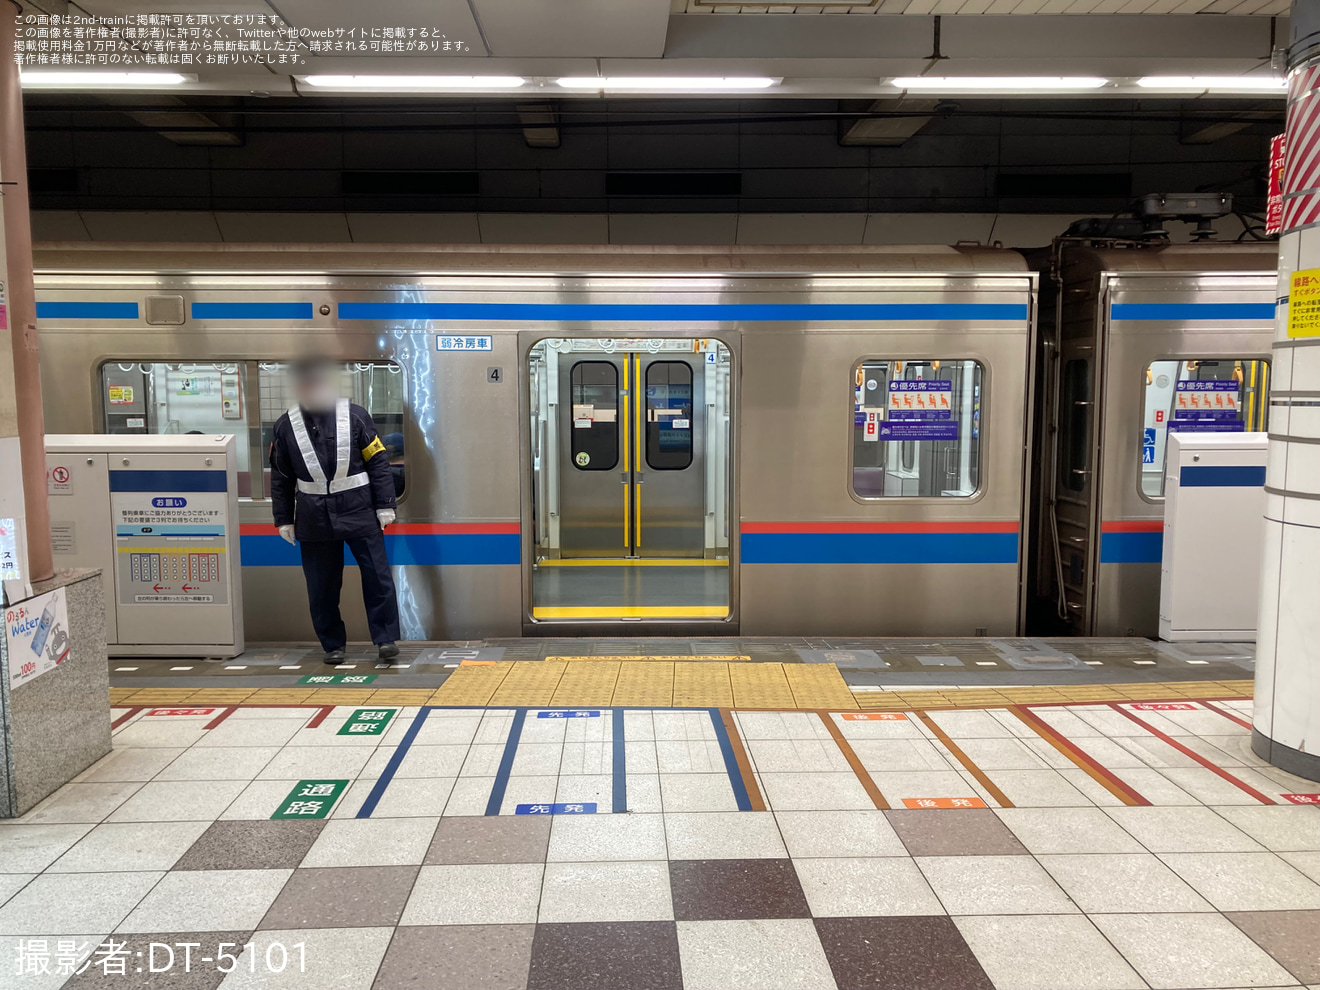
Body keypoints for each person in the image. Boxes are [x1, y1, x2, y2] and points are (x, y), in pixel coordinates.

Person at [269, 359, 401, 664]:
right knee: (321, 585)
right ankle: (332, 645)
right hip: (313, 517)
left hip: (360, 511)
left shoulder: (356, 417)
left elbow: (378, 462)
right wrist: (284, 518)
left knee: (377, 578)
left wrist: (385, 504)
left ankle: (385, 640)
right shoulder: (285, 426)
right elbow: (281, 477)